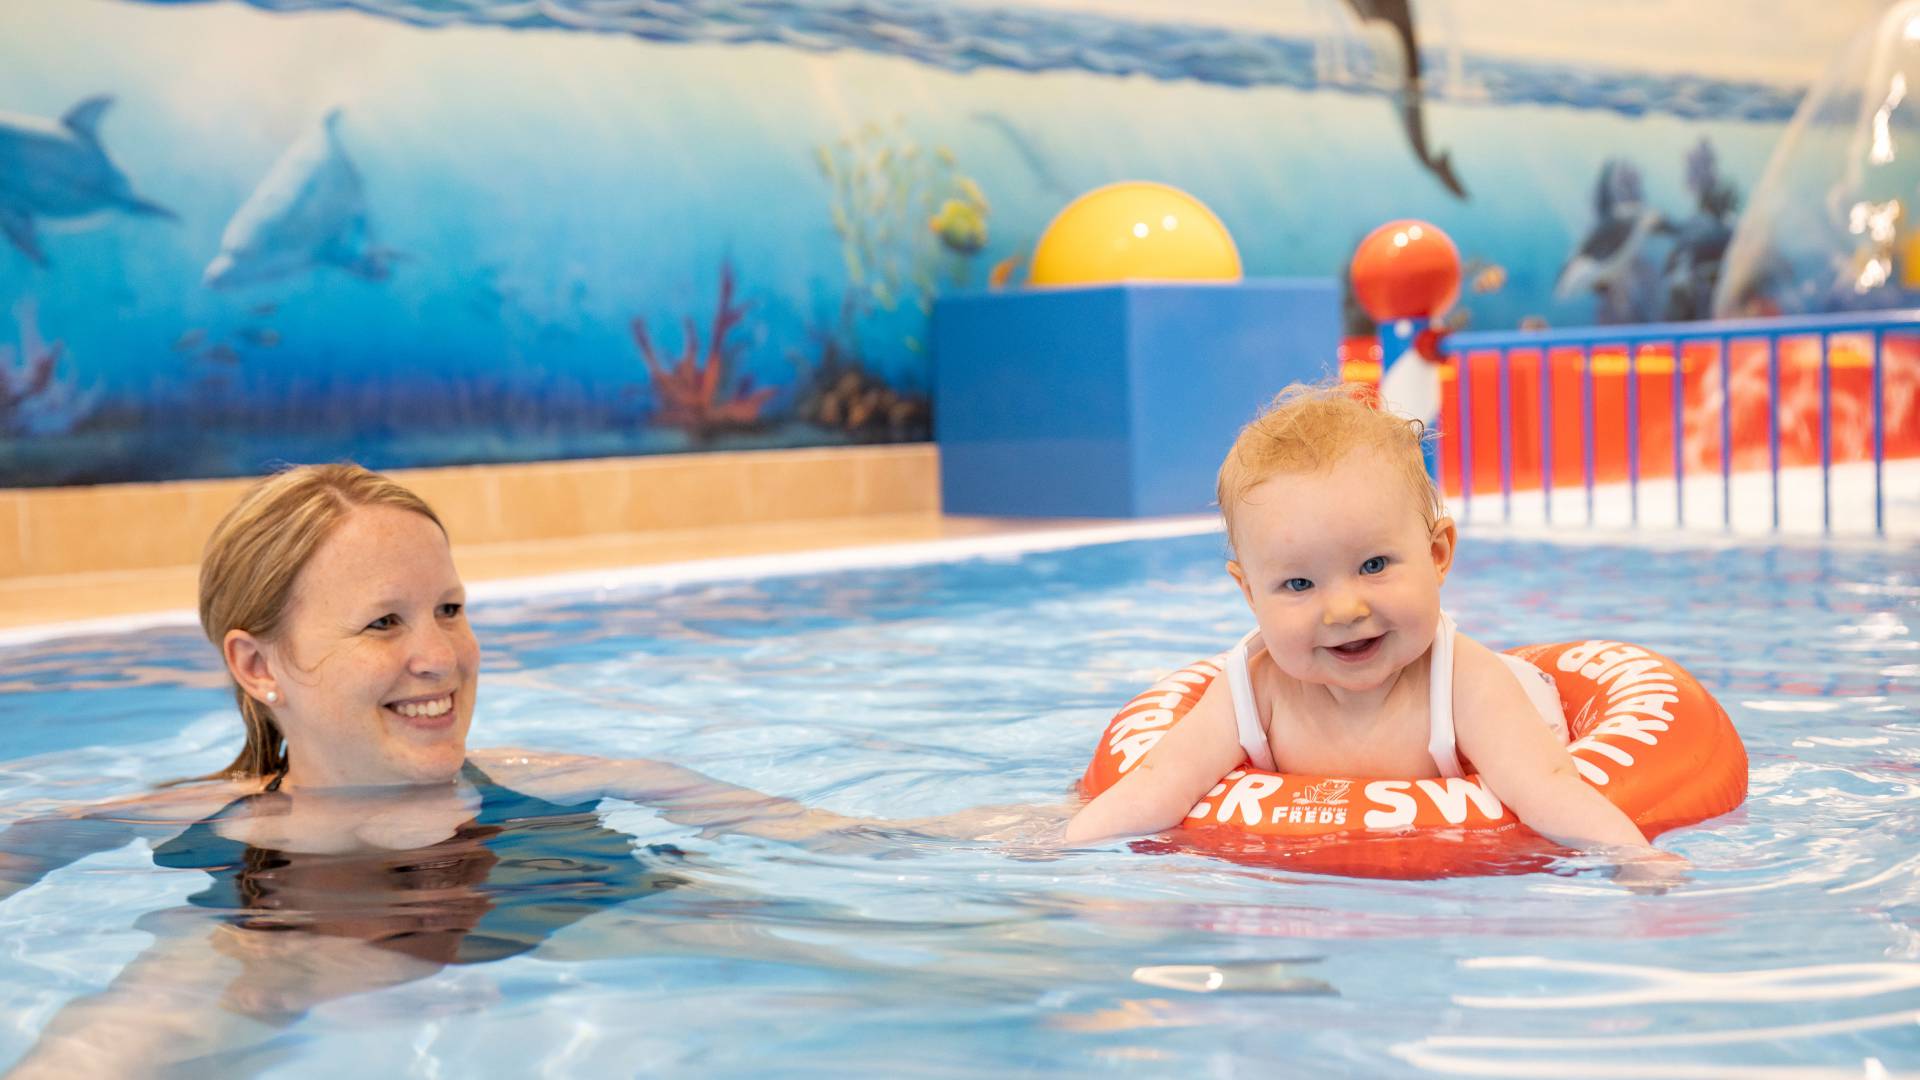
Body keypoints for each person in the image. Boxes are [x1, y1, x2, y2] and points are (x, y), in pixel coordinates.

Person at [0, 463, 906, 1076]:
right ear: (258, 665)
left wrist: (1035, 831)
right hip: (295, 937)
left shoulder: (564, 784)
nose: (439, 655)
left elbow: (839, 841)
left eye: (449, 608)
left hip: (555, 902)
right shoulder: (214, 819)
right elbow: (29, 840)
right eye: (383, 623)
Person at [1063, 382, 1682, 879]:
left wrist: (1635, 859)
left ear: (1438, 554)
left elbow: (1549, 788)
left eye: (1374, 565)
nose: (1342, 609)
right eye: (1299, 585)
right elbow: (1156, 783)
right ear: (1250, 593)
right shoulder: (1253, 690)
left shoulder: (1466, 683)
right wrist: (1059, 855)